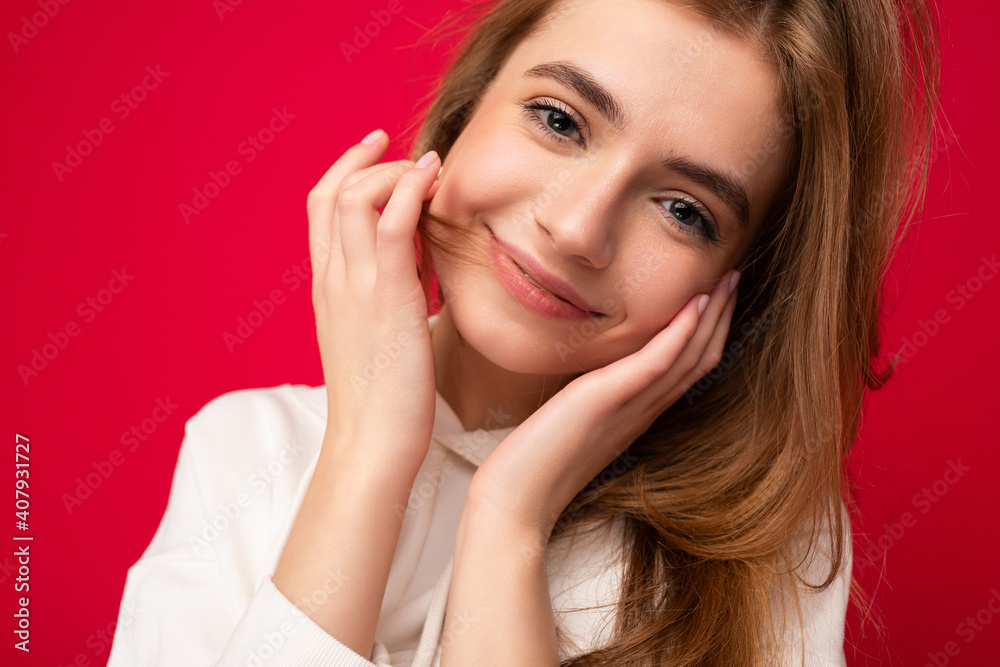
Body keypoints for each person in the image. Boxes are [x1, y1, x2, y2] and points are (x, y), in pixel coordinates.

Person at [106, 0, 941, 664]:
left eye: (685, 210)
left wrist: (509, 519)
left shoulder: (764, 547)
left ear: (740, 282)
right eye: (560, 120)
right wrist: (369, 453)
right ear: (469, 108)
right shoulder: (246, 450)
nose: (578, 229)